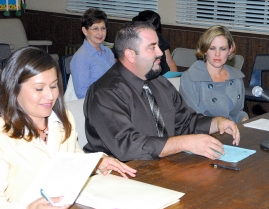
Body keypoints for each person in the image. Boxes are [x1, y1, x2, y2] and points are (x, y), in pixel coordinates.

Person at [0, 47, 136, 209]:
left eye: (54, 86)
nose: (50, 95)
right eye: (39, 88)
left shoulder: (63, 120)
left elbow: (73, 161)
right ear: (14, 89)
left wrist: (97, 163)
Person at [83, 21, 240, 162]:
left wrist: (217, 122)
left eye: (158, 45)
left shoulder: (158, 82)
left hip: (163, 165)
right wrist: (185, 142)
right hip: (119, 175)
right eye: (152, 47)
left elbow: (185, 122)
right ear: (130, 54)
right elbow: (128, 146)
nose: (159, 52)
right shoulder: (106, 93)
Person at [180, 25, 249, 123]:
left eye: (223, 49)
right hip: (203, 134)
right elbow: (192, 119)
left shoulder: (236, 78)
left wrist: (243, 119)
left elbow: (237, 112)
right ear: (204, 50)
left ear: (230, 50)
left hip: (232, 131)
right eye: (212, 48)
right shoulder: (190, 78)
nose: (217, 54)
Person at [69, 8, 115, 99]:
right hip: (95, 103)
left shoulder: (108, 52)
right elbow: (82, 94)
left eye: (103, 28)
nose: (100, 33)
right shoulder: (81, 58)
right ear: (85, 31)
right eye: (95, 29)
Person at [132, 10, 177, 75]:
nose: (160, 53)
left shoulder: (159, 37)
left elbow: (170, 63)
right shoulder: (131, 40)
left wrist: (173, 79)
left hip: (164, 77)